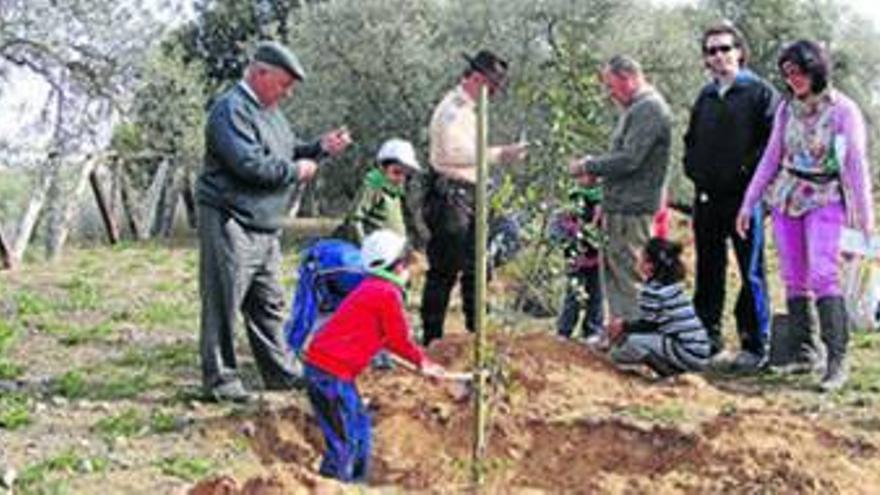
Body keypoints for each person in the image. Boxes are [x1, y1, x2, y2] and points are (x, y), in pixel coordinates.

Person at [196, 41, 352, 403]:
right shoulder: (230, 110)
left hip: (263, 224)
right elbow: (249, 165)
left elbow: (285, 149)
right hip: (230, 219)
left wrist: (319, 148)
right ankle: (220, 381)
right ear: (260, 72)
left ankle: (281, 373)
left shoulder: (270, 112)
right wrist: (296, 171)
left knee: (268, 302)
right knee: (224, 301)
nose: (288, 92)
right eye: (284, 83)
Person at [736, 40, 875, 391]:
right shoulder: (787, 109)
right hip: (787, 195)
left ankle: (837, 360)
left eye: (798, 71)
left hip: (826, 197)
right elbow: (771, 157)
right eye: (787, 74)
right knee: (793, 275)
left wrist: (865, 220)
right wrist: (748, 203)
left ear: (816, 69)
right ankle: (803, 352)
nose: (793, 79)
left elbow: (856, 165)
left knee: (823, 274)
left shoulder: (844, 111)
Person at [301, 230, 445, 483]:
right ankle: (332, 485)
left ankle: (356, 484)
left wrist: (421, 363)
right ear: (399, 266)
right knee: (345, 443)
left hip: (333, 374)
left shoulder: (373, 287)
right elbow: (398, 339)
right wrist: (423, 363)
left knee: (361, 432)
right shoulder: (385, 294)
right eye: (408, 266)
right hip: (329, 375)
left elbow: (387, 339)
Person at [683, 23, 780, 369]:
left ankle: (756, 344)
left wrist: (748, 182)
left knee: (750, 271)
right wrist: (693, 170)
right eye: (711, 51)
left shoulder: (760, 93)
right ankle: (706, 340)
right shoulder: (705, 97)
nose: (718, 56)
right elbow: (690, 141)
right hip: (707, 198)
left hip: (745, 200)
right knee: (709, 270)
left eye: (725, 48)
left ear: (739, 50)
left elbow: (772, 146)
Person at [420, 49, 528, 346]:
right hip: (451, 196)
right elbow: (451, 154)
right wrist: (498, 154)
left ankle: (474, 333)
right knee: (445, 268)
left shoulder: (469, 109)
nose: (494, 93)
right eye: (492, 86)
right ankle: (432, 338)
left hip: (469, 194)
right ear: (478, 79)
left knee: (477, 266)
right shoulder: (452, 109)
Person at [569, 55, 672, 323]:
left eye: (611, 85)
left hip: (633, 209)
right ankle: (621, 336)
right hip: (621, 205)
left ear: (628, 78)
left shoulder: (649, 109)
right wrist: (600, 180)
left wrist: (589, 165)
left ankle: (638, 340)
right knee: (615, 276)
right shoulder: (636, 109)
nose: (609, 93)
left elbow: (631, 158)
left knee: (630, 275)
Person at [608, 238, 712, 377]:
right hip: (700, 351)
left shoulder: (652, 291)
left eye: (642, 258)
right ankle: (672, 365)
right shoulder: (674, 286)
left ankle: (668, 371)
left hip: (687, 352)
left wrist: (623, 326)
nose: (638, 262)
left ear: (650, 266)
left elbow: (649, 325)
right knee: (636, 340)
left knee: (629, 345)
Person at [334, 138, 422, 245]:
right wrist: (364, 245)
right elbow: (354, 219)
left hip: (393, 249)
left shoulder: (395, 191)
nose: (401, 178)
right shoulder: (374, 185)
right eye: (396, 172)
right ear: (382, 167)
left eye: (406, 174)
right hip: (376, 251)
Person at [555, 173, 605, 344]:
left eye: (591, 175)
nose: (587, 179)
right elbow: (560, 224)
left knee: (596, 294)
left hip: (597, 256)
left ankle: (593, 330)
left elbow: (607, 228)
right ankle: (564, 330)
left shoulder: (603, 200)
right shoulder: (573, 199)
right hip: (576, 255)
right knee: (573, 294)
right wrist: (570, 236)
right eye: (582, 176)